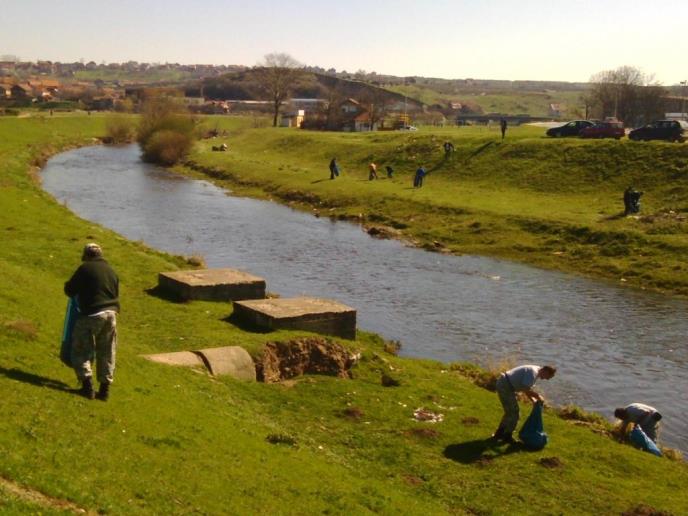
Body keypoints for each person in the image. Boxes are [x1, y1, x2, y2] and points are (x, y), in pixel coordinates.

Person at [64, 243, 120, 401]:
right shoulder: (111, 271)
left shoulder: (85, 269)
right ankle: (104, 391)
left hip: (92, 314)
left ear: (87, 256)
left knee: (81, 348)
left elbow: (69, 290)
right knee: (107, 351)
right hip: (111, 314)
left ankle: (87, 388)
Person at [492, 364, 557, 443]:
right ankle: (507, 436)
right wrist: (538, 396)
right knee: (514, 413)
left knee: (510, 412)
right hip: (505, 386)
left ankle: (499, 434)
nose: (546, 379)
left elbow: (526, 388)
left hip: (506, 385)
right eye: (548, 377)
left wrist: (533, 400)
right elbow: (525, 388)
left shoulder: (535, 371)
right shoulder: (532, 373)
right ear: (546, 371)